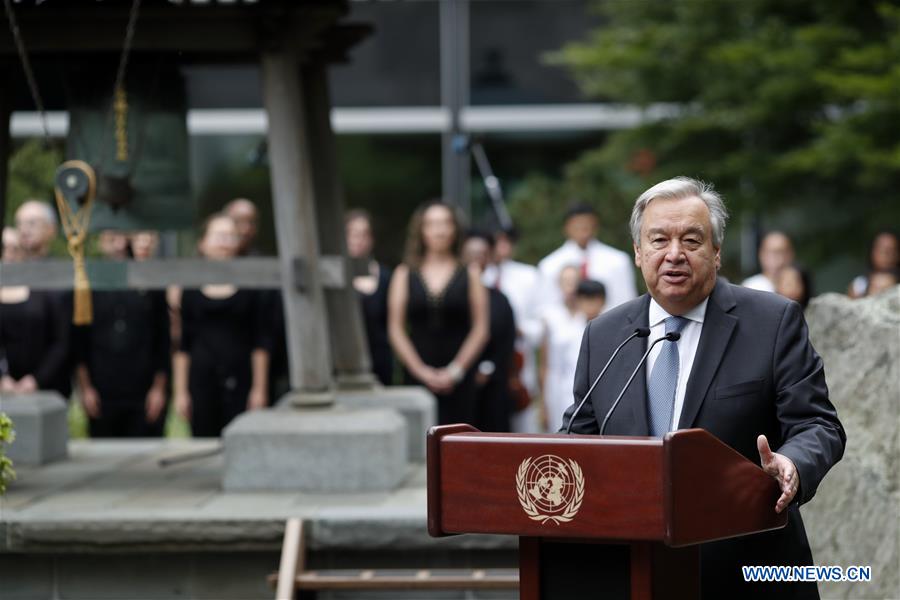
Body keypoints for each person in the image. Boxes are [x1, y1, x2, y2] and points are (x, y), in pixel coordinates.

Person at [562, 177, 845, 598]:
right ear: (638, 253)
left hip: (750, 568)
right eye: (658, 240)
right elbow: (576, 442)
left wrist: (792, 465)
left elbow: (819, 426)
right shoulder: (604, 335)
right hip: (635, 571)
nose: (674, 254)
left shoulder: (771, 322)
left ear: (715, 253)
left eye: (691, 240)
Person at [387, 201, 489, 426]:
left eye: (445, 223)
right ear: (421, 230)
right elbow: (395, 328)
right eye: (432, 224)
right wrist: (420, 371)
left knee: (459, 444)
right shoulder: (404, 273)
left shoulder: (470, 273)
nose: (439, 230)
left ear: (455, 229)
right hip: (416, 373)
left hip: (460, 376)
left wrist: (456, 371)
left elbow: (481, 328)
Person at [173, 214, 271, 437]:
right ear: (203, 243)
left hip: (241, 379)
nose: (224, 242)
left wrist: (259, 388)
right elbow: (183, 344)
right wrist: (180, 392)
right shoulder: (190, 288)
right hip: (201, 380)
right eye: (218, 236)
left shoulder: (250, 287)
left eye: (230, 236)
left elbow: (261, 341)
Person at [74, 230, 170, 437]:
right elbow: (79, 340)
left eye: (121, 238)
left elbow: (163, 340)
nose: (117, 245)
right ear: (100, 242)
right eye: (110, 239)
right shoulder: (89, 282)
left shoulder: (150, 283)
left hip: (143, 392)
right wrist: (85, 387)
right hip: (101, 391)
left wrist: (159, 389)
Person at [482, 226, 543, 432]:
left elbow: (540, 324)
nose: (502, 248)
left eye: (507, 241)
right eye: (497, 242)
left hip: (518, 360)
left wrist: (517, 329)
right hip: (486, 356)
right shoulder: (478, 274)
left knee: (523, 423)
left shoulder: (529, 275)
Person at [462, 229, 516, 432]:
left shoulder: (499, 299)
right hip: (456, 382)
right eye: (471, 253)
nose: (476, 259)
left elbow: (507, 340)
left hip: (492, 383)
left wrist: (488, 367)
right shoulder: (452, 300)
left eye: (482, 254)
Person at [537, 202, 636, 311]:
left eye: (586, 224)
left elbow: (627, 302)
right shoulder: (549, 265)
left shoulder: (618, 261)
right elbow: (546, 308)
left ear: (595, 225)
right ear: (566, 227)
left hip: (609, 324)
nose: (582, 229)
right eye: (577, 225)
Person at [346, 209, 394, 386]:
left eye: (364, 234)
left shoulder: (386, 276)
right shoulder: (329, 276)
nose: (357, 240)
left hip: (378, 363)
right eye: (352, 234)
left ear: (372, 239)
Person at [848, 230, 899, 298]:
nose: (887, 255)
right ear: (872, 251)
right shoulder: (859, 284)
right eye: (882, 250)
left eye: (892, 250)